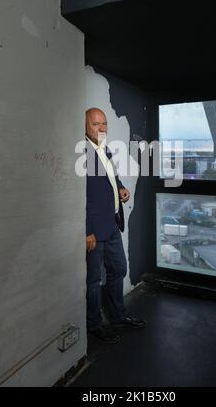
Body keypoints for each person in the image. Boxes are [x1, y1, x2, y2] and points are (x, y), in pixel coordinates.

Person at [85, 108, 145, 343]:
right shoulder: (82, 152)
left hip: (111, 224)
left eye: (104, 124)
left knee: (118, 269)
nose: (101, 128)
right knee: (92, 281)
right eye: (95, 124)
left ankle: (116, 315)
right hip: (93, 230)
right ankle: (94, 325)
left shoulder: (104, 149)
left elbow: (111, 177)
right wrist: (86, 231)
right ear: (85, 126)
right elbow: (81, 197)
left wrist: (119, 187)